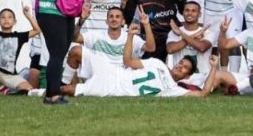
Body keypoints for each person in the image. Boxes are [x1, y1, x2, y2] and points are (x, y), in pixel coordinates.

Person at [60, 22, 219, 97]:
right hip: (113, 71)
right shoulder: (159, 64)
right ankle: (61, 82)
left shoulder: (173, 89)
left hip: (114, 89)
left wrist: (213, 67)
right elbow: (128, 62)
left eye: (184, 68)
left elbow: (204, 93)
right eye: (180, 63)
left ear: (187, 76)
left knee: (66, 92)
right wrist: (130, 36)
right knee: (76, 51)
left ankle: (38, 93)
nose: (179, 66)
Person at [67, 5, 155, 84]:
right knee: (75, 50)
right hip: (99, 74)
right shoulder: (96, 35)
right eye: (111, 16)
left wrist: (146, 24)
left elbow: (151, 48)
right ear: (106, 21)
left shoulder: (131, 36)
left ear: (123, 21)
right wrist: (81, 20)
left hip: (122, 77)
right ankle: (64, 84)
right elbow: (74, 38)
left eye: (117, 17)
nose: (114, 19)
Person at [0, 1, 41, 94]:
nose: (6, 19)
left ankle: (5, 89)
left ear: (14, 21)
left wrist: (27, 15)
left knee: (28, 89)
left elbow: (37, 30)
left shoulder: (19, 36)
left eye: (10, 17)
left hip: (10, 76)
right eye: (3, 17)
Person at [166, 2, 217, 88]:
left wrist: (181, 34)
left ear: (199, 14)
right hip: (180, 79)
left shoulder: (208, 32)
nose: (190, 13)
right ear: (182, 13)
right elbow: (170, 49)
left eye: (194, 11)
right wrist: (193, 37)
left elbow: (202, 47)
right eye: (187, 10)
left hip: (203, 79)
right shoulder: (174, 32)